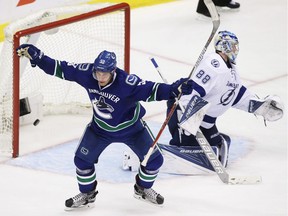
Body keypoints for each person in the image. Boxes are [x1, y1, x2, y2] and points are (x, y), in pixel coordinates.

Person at [16, 44, 193, 208]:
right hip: (100, 130)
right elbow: (60, 68)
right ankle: (87, 195)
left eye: (104, 73)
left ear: (113, 71)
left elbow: (153, 90)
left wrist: (174, 89)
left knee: (155, 161)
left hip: (132, 129)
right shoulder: (87, 74)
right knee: (81, 161)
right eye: (98, 72)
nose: (100, 77)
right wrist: (38, 58)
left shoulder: (127, 83)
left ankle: (142, 189)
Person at [167, 30, 284, 167]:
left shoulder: (232, 69)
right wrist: (188, 123)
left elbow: (236, 95)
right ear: (224, 46)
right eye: (233, 46)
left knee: (220, 145)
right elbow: (192, 92)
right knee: (190, 146)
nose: (236, 49)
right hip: (182, 114)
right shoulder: (213, 64)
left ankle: (190, 142)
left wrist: (259, 107)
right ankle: (178, 146)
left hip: (205, 122)